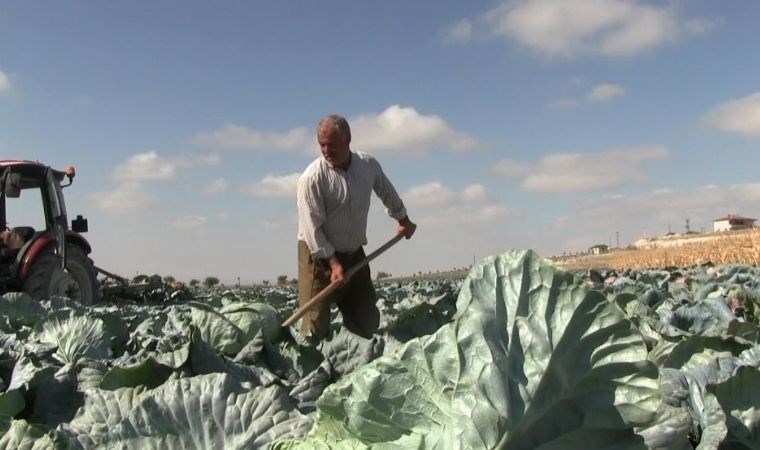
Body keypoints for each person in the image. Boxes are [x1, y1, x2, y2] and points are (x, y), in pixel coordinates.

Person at [296, 114, 417, 341]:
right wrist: (332, 263)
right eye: (321, 145)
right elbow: (313, 230)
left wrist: (403, 219)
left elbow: (386, 191)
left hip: (354, 254)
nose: (325, 150)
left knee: (367, 321)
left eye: (331, 144)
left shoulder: (367, 165)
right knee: (314, 329)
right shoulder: (311, 178)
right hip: (318, 258)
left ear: (348, 139)